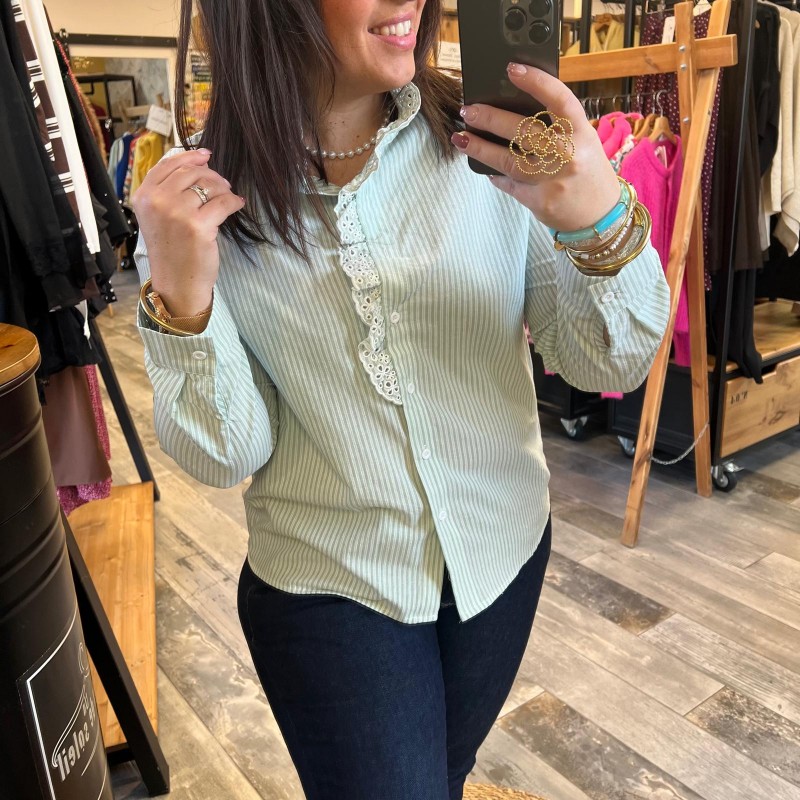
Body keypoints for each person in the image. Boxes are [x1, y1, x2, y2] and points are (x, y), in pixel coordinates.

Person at [132, 0, 670, 797]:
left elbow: (606, 359)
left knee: (445, 774)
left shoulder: (491, 140)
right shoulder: (200, 206)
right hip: (332, 586)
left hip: (502, 554)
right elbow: (225, 453)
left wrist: (598, 220)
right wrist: (181, 302)